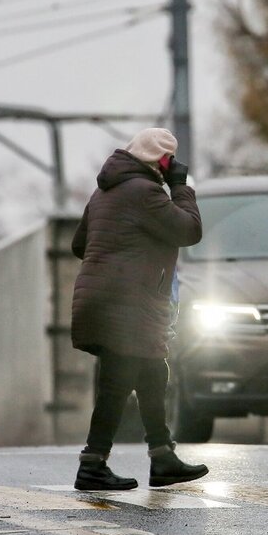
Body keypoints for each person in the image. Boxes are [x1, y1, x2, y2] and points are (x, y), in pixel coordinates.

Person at [69, 128, 209, 490]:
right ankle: (92, 465)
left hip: (106, 302)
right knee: (117, 383)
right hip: (127, 307)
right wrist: (182, 187)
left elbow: (79, 244)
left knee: (151, 375)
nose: (172, 166)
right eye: (170, 160)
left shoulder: (103, 192)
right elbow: (189, 230)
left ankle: (162, 458)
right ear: (161, 161)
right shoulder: (145, 193)